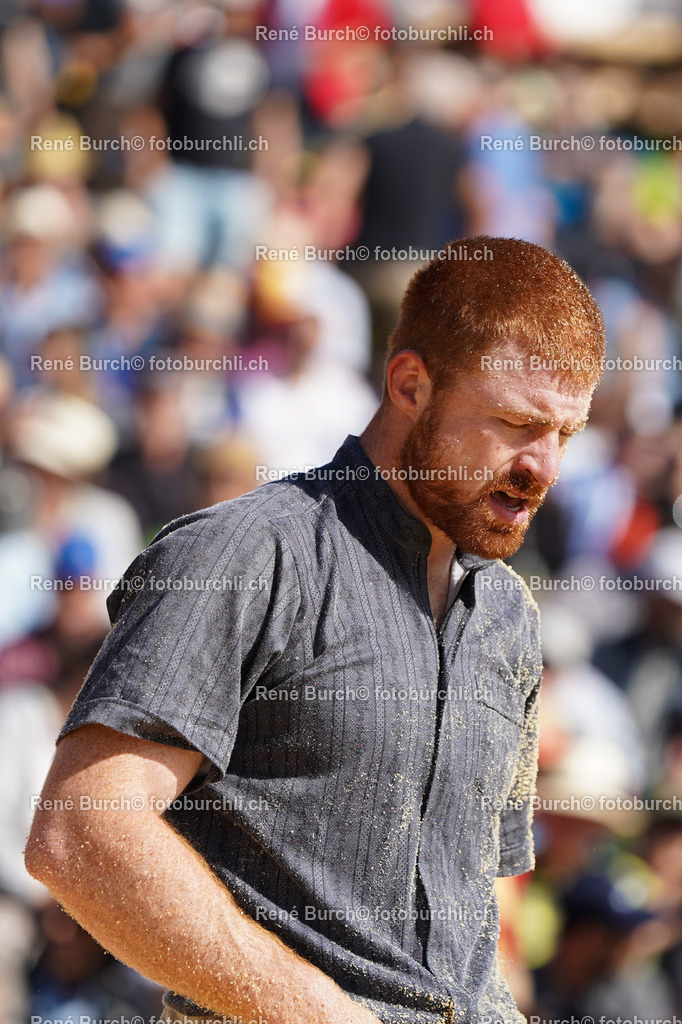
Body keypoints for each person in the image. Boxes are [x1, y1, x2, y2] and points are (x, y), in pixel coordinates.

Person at [25, 237, 606, 1024]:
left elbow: (477, 913)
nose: (545, 467)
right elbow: (83, 834)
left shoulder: (509, 616)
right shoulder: (243, 555)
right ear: (409, 384)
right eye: (513, 423)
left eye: (564, 435)